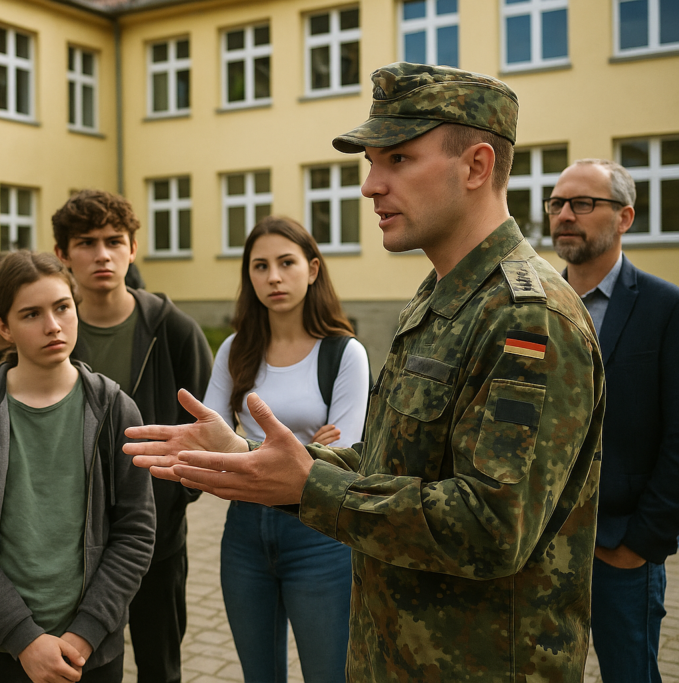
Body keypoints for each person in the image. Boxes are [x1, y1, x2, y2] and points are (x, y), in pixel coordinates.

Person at [125, 62, 605, 680]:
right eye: (370, 162)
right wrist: (252, 453)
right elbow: (386, 464)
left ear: (478, 166)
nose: (370, 186)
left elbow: (490, 526)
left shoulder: (527, 318)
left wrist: (308, 487)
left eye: (398, 160)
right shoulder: (439, 298)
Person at [0, 251, 156, 682]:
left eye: (62, 308)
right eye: (31, 314)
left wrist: (85, 633)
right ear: (3, 327)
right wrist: (25, 639)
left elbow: (135, 532)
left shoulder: (115, 410)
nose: (53, 325)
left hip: (89, 650)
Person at [53, 189, 212, 683]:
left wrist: (175, 495)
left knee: (158, 666)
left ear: (132, 249)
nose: (102, 254)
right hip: (64, 543)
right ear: (62, 254)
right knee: (76, 667)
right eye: (86, 242)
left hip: (155, 540)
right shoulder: (50, 330)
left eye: (114, 241)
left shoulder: (175, 331)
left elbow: (210, 426)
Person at [202, 216, 370, 683]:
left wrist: (242, 448)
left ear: (312, 269)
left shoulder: (344, 353)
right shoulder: (235, 350)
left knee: (327, 674)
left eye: (286, 263)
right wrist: (304, 448)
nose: (273, 277)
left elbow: (346, 461)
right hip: (244, 535)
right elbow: (209, 439)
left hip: (320, 537)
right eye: (259, 266)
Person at [548, 159, 679, 682]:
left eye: (582, 204)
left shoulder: (664, 307)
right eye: (556, 203)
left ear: (624, 217)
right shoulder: (534, 304)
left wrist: (642, 544)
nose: (564, 215)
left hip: (619, 546)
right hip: (540, 543)